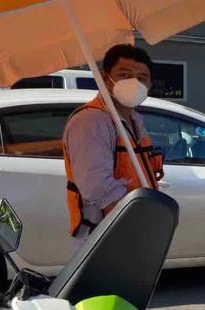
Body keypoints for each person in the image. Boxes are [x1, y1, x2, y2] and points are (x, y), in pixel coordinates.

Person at [62, 44, 164, 249]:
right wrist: (142, 216)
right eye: (124, 75)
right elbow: (98, 188)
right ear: (104, 78)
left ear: (150, 85)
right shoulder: (92, 121)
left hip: (131, 229)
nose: (134, 83)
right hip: (105, 235)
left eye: (142, 78)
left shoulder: (134, 120)